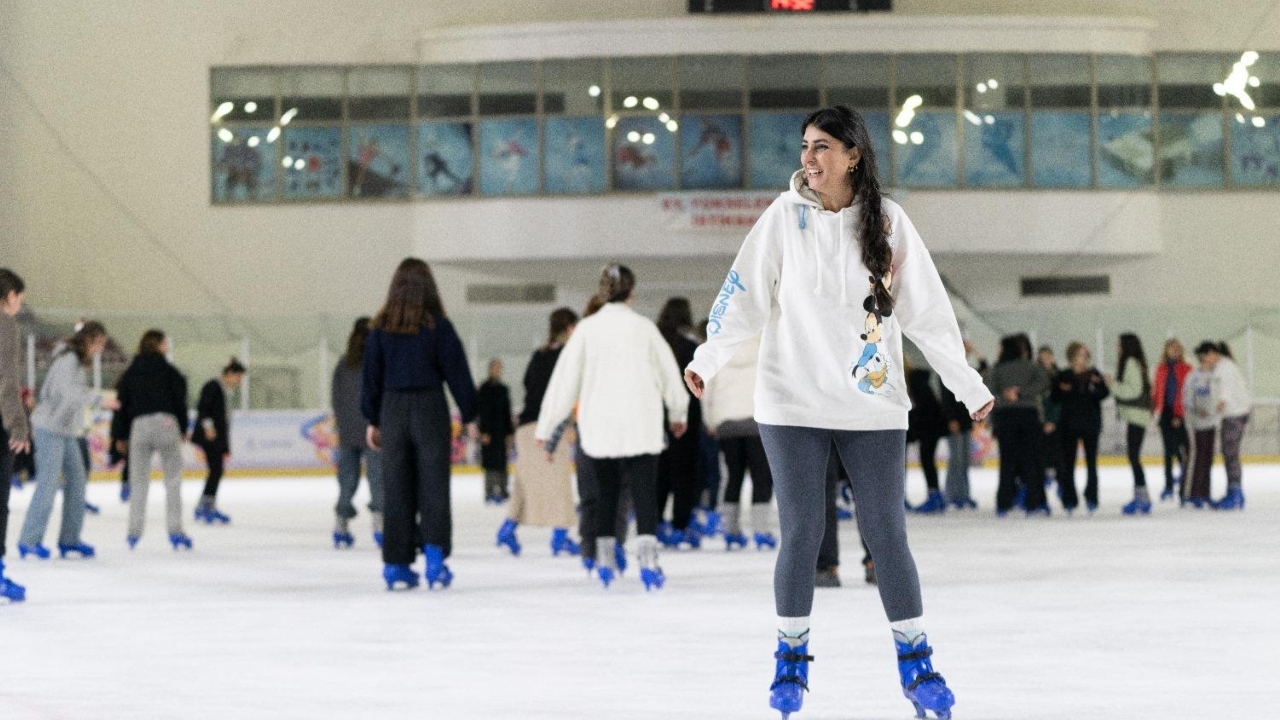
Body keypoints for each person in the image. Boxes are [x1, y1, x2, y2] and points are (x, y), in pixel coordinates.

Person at [683, 106, 993, 720]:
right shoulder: (782, 218)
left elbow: (928, 313)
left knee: (887, 535)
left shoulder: (887, 223)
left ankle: (917, 661)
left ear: (853, 155)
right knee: (802, 533)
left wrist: (965, 382)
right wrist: (708, 357)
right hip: (790, 401)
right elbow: (741, 294)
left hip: (872, 404)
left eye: (823, 147)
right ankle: (790, 662)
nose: (809, 158)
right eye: (805, 146)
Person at [535, 265, 688, 591]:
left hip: (599, 426)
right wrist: (678, 413)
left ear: (603, 291)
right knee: (645, 494)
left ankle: (605, 562)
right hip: (642, 423)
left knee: (606, 491)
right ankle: (648, 561)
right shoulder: (644, 328)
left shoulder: (587, 330)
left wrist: (547, 428)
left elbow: (564, 384)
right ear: (631, 292)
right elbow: (670, 375)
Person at [363, 258, 477, 591]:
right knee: (433, 484)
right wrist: (469, 413)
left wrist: (372, 419)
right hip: (429, 407)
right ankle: (435, 558)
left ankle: (396, 565)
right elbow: (457, 372)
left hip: (392, 409)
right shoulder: (438, 326)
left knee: (396, 487)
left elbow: (371, 378)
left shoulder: (379, 328)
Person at [18, 321, 117, 561]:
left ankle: (69, 539)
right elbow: (68, 393)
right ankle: (29, 540)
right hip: (50, 428)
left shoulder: (77, 362)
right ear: (89, 340)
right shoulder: (68, 360)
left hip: (66, 430)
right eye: (100, 343)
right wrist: (99, 400)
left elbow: (73, 394)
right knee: (48, 483)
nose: (101, 349)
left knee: (78, 481)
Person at [495, 308, 582, 559]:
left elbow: (527, 384)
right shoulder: (568, 355)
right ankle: (560, 537)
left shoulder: (539, 354)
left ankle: (507, 529)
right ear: (568, 329)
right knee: (559, 482)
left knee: (523, 482)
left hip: (526, 425)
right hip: (551, 426)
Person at [117, 329, 191, 550]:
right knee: (173, 481)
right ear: (158, 345)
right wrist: (184, 427)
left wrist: (120, 435)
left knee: (138, 482)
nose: (167, 346)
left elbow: (122, 406)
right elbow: (180, 399)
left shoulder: (131, 372)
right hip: (166, 422)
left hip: (139, 425)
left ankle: (133, 533)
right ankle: (176, 532)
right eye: (165, 343)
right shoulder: (169, 371)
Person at [701, 334, 776, 550]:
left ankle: (731, 530)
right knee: (761, 476)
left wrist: (711, 421)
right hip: (757, 420)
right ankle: (761, 531)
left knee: (733, 475)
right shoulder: (762, 343)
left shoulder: (719, 347)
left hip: (727, 422)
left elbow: (708, 391)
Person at [654, 297, 705, 549]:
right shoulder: (690, 346)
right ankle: (681, 524)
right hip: (688, 416)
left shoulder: (655, 344)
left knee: (659, 471)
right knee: (684, 471)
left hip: (656, 415)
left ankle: (655, 522)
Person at [331, 318, 383, 548]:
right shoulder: (377, 362)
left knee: (347, 480)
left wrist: (342, 423)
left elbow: (336, 398)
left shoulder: (344, 364)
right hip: (372, 431)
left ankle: (340, 526)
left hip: (347, 431)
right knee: (378, 479)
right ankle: (380, 526)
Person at [986, 335, 1050, 516]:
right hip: (1028, 416)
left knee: (1007, 461)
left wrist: (1005, 396)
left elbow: (989, 391)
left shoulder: (997, 369)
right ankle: (1034, 502)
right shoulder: (1030, 367)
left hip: (1005, 417)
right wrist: (1022, 393)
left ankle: (1003, 503)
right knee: (1031, 460)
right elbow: (1044, 382)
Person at [0, 269, 31, 602]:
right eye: (19, 297)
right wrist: (18, 424)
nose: (20, 305)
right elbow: (6, 382)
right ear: (9, 296)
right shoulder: (5, 325)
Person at [1051, 342, 1109, 513]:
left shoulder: (1094, 374)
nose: (1083, 358)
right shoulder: (1063, 375)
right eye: (1079, 355)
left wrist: (1093, 388)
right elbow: (1055, 397)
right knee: (1069, 463)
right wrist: (1066, 390)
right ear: (1072, 357)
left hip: (1091, 423)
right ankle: (1069, 498)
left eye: (1085, 355)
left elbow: (1104, 393)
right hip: (1069, 425)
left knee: (1091, 462)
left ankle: (1092, 496)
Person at [191, 358, 245, 524]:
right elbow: (203, 408)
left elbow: (225, 422)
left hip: (217, 438)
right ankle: (205, 507)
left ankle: (206, 505)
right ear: (229, 374)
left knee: (216, 470)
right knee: (216, 470)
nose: (239, 381)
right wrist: (208, 427)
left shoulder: (226, 392)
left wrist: (226, 447)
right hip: (209, 436)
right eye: (238, 377)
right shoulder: (212, 386)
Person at [1107, 334, 1153, 515]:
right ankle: (1141, 495)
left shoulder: (1130, 363)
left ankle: (1142, 497)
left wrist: (1113, 385)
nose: (1116, 348)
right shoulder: (1136, 363)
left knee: (1133, 456)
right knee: (1133, 456)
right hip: (1137, 415)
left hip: (1136, 415)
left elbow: (1134, 390)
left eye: (1119, 344)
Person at [1207, 341, 1252, 510]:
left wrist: (1217, 408)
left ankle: (1236, 493)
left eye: (1206, 356)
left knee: (1231, 453)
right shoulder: (1226, 366)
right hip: (1235, 414)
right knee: (1229, 453)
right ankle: (1233, 491)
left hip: (1234, 414)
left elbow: (1223, 393)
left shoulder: (1224, 368)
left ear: (1213, 353)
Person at [1151, 339, 1191, 502]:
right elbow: (1156, 390)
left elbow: (1186, 393)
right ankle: (1168, 485)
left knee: (1183, 449)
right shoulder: (1161, 369)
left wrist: (1179, 415)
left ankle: (1185, 480)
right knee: (1168, 451)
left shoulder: (1187, 369)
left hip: (1180, 413)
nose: (1174, 352)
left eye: (1177, 349)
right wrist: (1154, 410)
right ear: (1166, 350)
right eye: (1171, 349)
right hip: (1165, 414)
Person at [905, 360, 947, 514]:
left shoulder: (915, 383)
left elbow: (922, 409)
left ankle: (935, 495)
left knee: (927, 459)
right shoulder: (919, 381)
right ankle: (935, 495)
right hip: (930, 427)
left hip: (930, 427)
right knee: (927, 460)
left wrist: (914, 432)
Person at [1182, 343, 1219, 508]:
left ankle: (1205, 492)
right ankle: (1189, 493)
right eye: (1211, 354)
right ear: (1204, 356)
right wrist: (1197, 411)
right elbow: (1186, 400)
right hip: (1195, 424)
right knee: (1195, 457)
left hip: (1211, 423)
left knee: (1208, 458)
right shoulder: (1193, 377)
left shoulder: (1215, 376)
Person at [476, 358, 515, 505]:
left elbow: (507, 412)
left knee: (502, 462)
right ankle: (490, 491)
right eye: (495, 367)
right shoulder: (484, 389)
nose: (498, 370)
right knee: (490, 462)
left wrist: (509, 432)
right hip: (488, 432)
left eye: (500, 368)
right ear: (490, 369)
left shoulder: (503, 389)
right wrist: (483, 431)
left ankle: (503, 490)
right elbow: (482, 412)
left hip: (501, 431)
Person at [1036, 345, 1062, 495]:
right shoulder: (1034, 375)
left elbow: (1059, 400)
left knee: (1057, 451)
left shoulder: (1058, 375)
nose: (1046, 359)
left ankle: (1060, 481)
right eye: (1043, 356)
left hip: (1055, 421)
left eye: (1048, 356)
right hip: (1039, 419)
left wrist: (1053, 420)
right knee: (1041, 451)